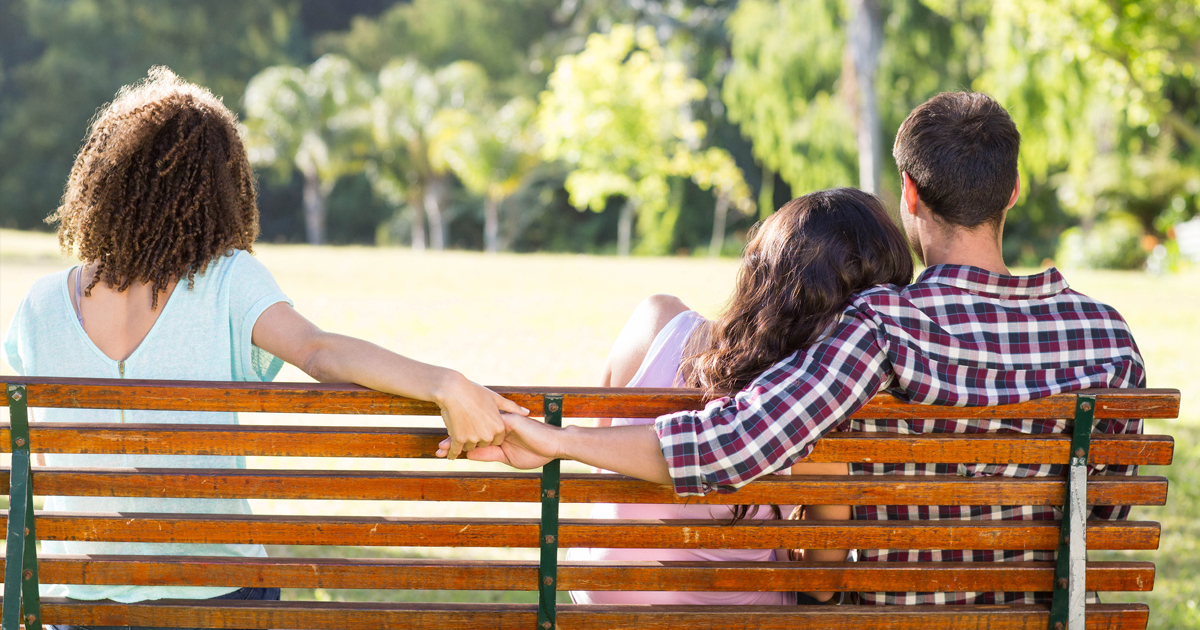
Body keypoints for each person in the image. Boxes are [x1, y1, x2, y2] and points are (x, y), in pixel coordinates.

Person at [448, 91, 1146, 606]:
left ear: (909, 195)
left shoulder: (884, 326)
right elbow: (1104, 514)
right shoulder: (1110, 339)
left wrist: (558, 440)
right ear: (1014, 191)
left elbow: (731, 443)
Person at [1, 67, 526, 620]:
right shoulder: (228, 280)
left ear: (106, 181)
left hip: (76, 600)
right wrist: (443, 382)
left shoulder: (40, 305)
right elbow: (318, 351)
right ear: (219, 189)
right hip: (214, 596)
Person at [568, 188, 911, 606]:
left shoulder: (653, 321)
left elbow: (600, 474)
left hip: (601, 602)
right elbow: (821, 583)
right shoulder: (813, 409)